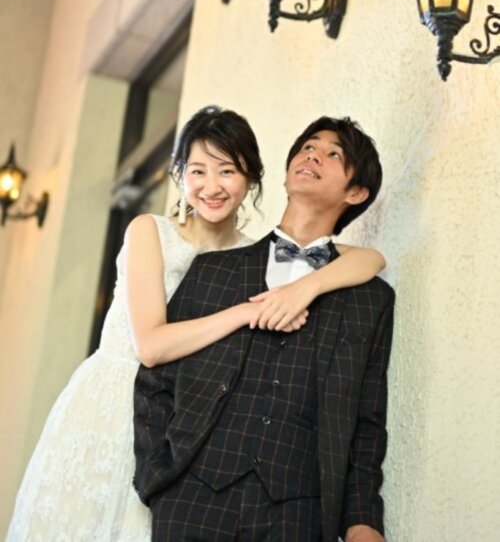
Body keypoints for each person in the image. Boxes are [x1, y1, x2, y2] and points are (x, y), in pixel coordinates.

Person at [7, 107, 385, 542]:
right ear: (179, 175)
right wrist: (247, 311)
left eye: (227, 171)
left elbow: (368, 259)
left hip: (190, 431)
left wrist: (307, 287)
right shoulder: (151, 231)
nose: (211, 186)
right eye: (197, 171)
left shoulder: (248, 258)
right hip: (114, 401)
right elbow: (151, 347)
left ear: (252, 177)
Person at [134, 115, 395, 542]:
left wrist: (362, 520)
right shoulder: (212, 269)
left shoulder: (369, 299)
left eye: (334, 154)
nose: (314, 155)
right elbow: (156, 381)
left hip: (300, 512)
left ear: (356, 192)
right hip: (191, 499)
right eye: (308, 147)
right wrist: (158, 478)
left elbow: (368, 419)